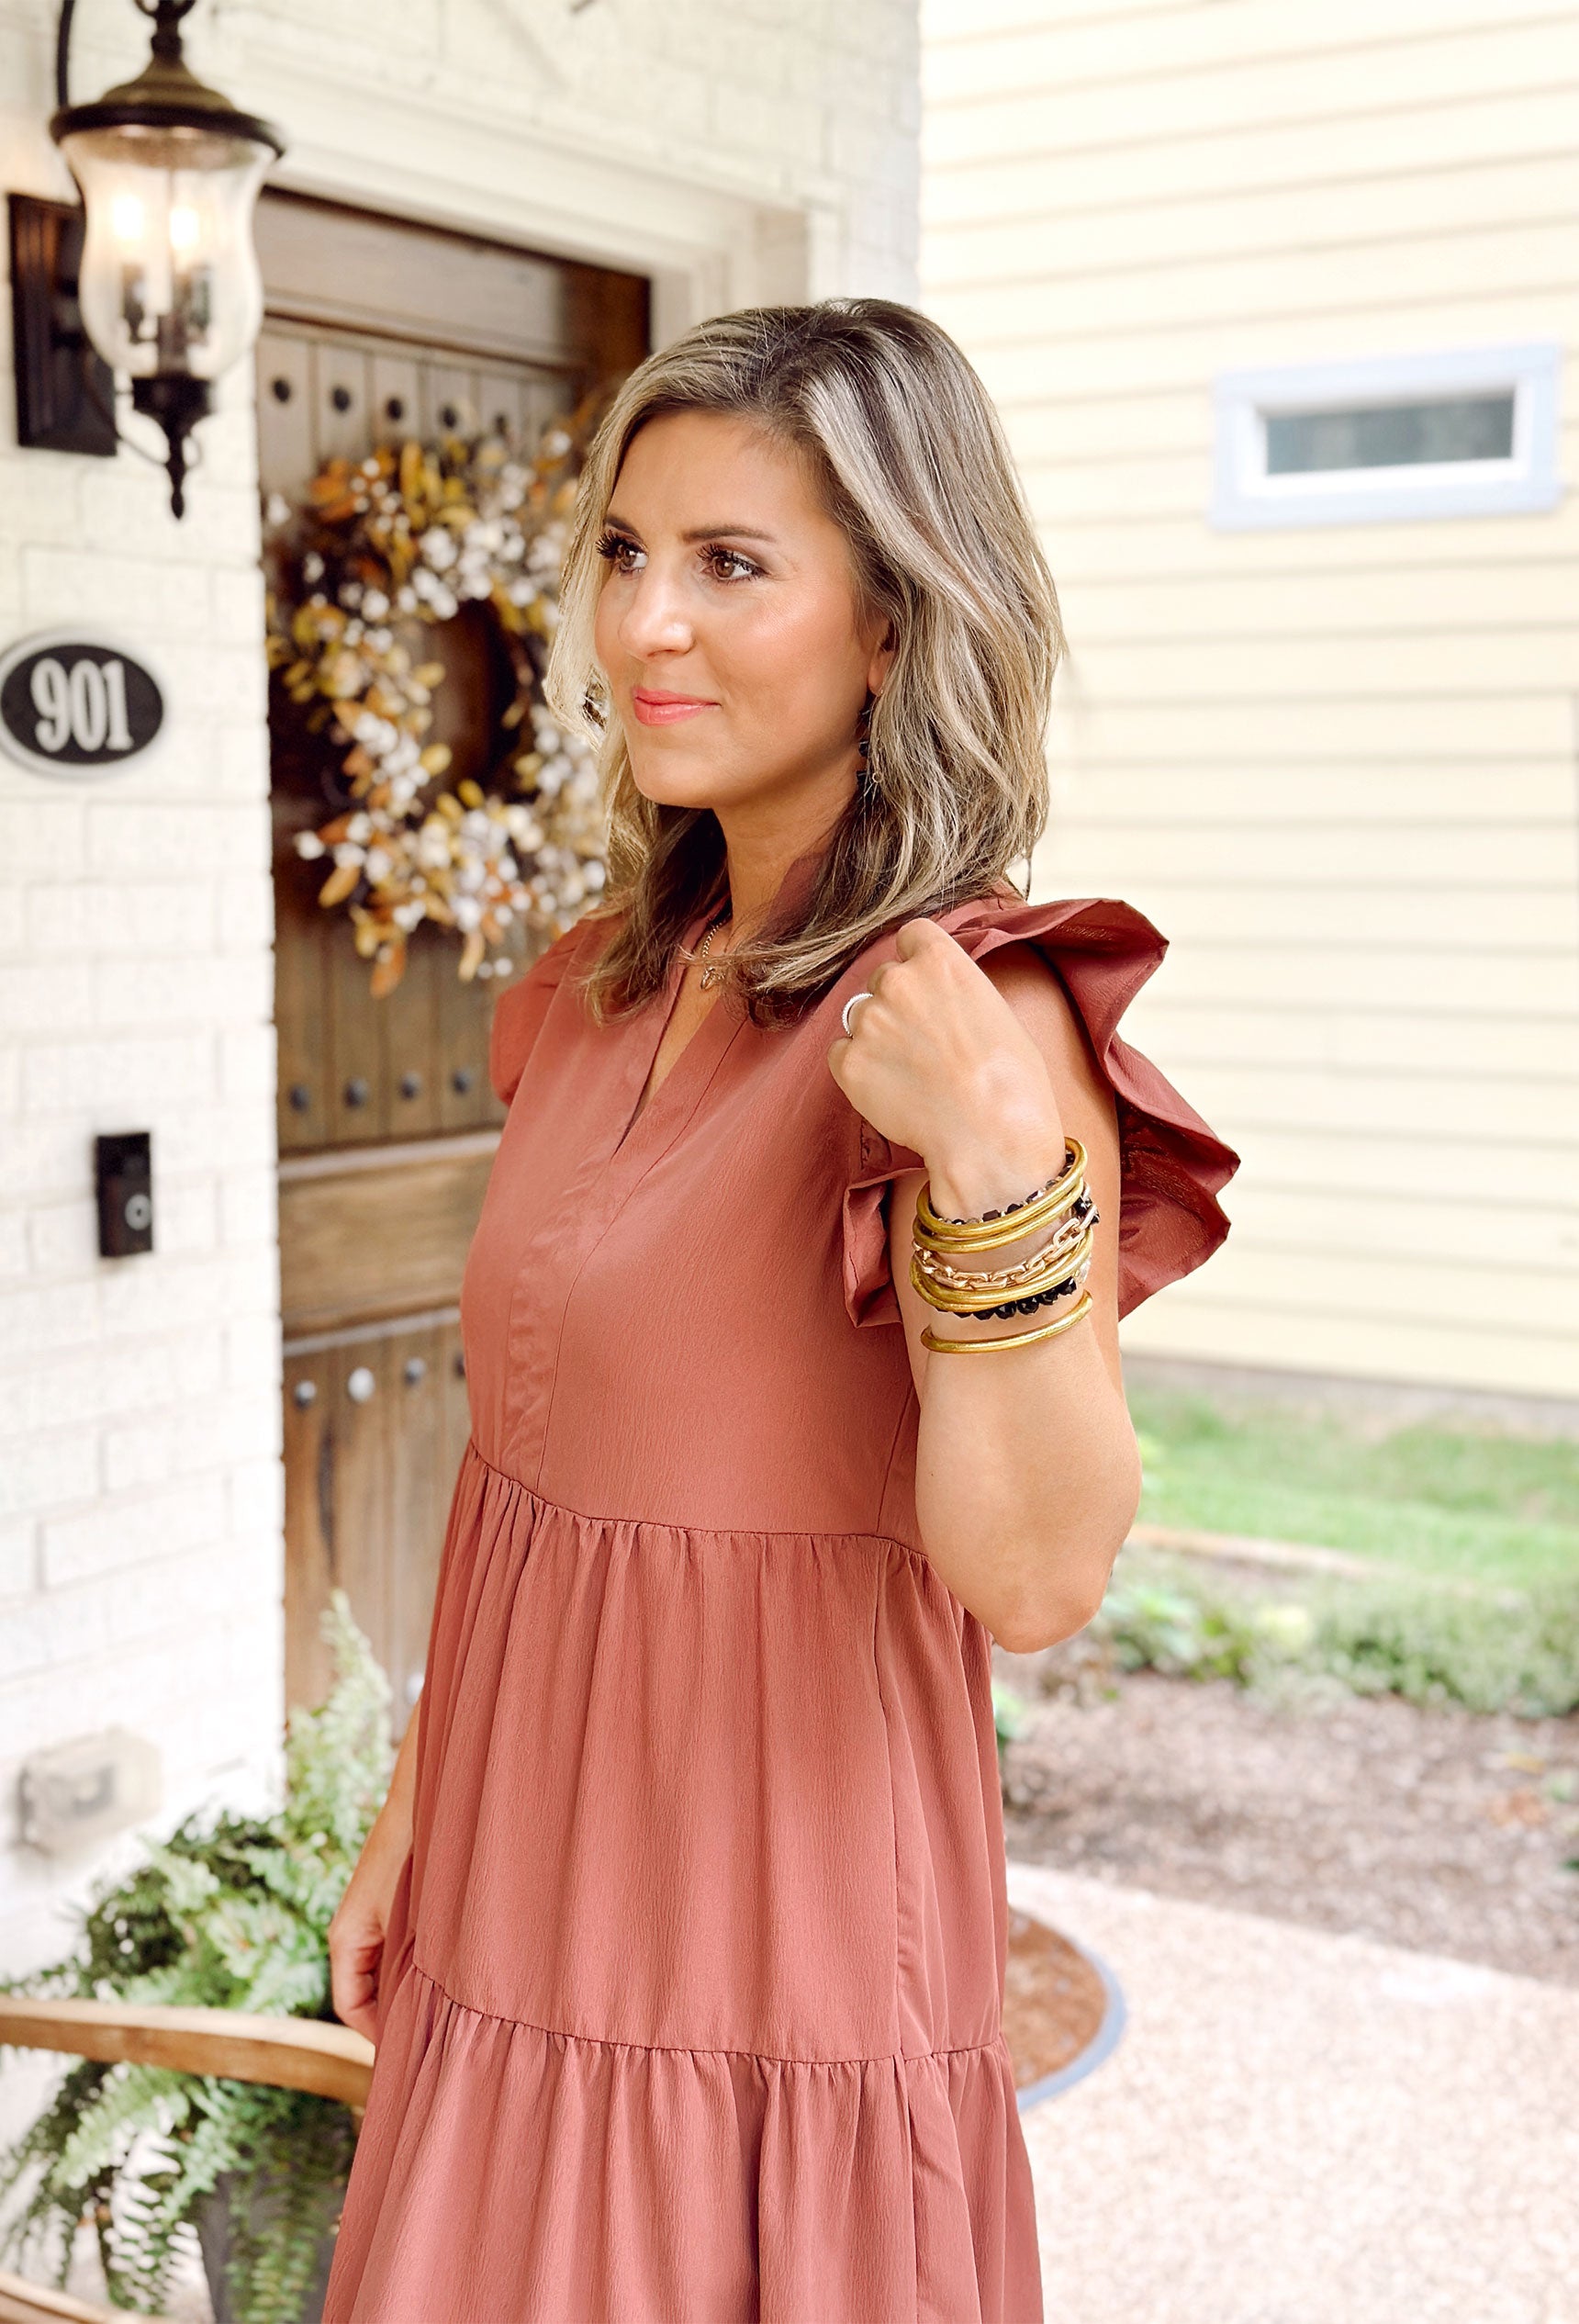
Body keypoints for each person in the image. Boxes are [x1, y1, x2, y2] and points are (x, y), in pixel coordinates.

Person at [321, 298, 1239, 2324]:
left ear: (894, 622)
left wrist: (995, 1165)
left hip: (769, 1957)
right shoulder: (601, 989)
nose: (645, 625)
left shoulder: (971, 1019)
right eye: (626, 553)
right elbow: (527, 1467)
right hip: (517, 1903)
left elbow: (1033, 1572)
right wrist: (418, 1812)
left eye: (732, 564)